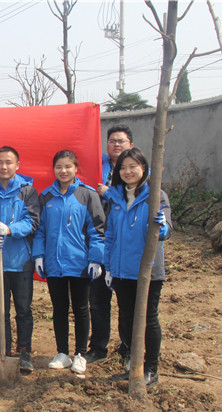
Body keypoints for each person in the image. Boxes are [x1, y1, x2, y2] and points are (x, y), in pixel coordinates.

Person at [32, 150, 105, 375]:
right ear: (53, 169)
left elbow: (97, 230)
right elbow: (40, 230)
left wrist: (96, 258)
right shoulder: (46, 197)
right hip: (55, 264)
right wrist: (39, 255)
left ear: (75, 168)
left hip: (80, 264)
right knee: (59, 309)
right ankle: (62, 353)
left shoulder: (87, 195)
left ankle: (80, 354)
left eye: (68, 166)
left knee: (81, 309)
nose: (63, 171)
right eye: (59, 167)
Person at [104, 147, 172, 387]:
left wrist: (162, 226)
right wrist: (108, 267)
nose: (128, 171)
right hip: (121, 270)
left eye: (133, 166)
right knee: (126, 318)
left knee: (148, 319)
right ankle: (134, 367)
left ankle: (151, 370)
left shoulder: (156, 196)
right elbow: (110, 235)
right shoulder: (116, 197)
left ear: (144, 168)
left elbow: (166, 231)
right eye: (123, 168)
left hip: (147, 271)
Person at [0, 146, 40, 374]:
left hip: (21, 262)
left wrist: (10, 230)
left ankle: (24, 351)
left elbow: (32, 222)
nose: (4, 166)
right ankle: (3, 350)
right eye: (0, 162)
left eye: (9, 162)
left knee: (23, 309)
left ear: (17, 165)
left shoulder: (27, 192)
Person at [86, 124, 135, 365]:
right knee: (97, 300)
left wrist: (109, 193)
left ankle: (128, 349)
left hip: (124, 245)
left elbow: (135, 199)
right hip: (98, 241)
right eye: (112, 141)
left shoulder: (136, 169)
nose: (116, 144)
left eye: (121, 141)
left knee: (127, 302)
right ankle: (98, 347)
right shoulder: (98, 164)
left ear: (130, 145)